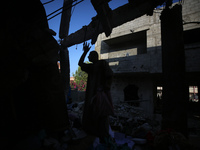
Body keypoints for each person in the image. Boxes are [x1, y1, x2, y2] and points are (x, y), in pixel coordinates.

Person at [78, 42, 114, 142]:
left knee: (102, 114)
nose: (88, 57)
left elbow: (110, 75)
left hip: (100, 95)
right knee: (91, 113)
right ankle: (94, 134)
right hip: (92, 95)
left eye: (89, 55)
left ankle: (104, 137)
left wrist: (104, 88)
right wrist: (85, 52)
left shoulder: (102, 63)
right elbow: (80, 63)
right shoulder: (91, 67)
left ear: (94, 56)